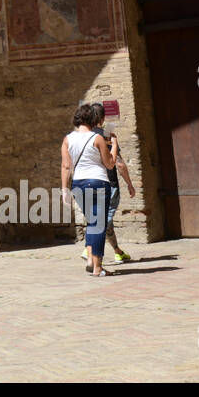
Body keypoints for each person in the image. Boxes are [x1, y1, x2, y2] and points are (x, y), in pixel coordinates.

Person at [60, 103, 116, 277]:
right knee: (98, 225)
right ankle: (98, 268)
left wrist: (64, 189)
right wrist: (114, 144)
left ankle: (91, 260)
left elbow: (65, 166)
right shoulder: (97, 138)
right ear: (93, 119)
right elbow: (110, 163)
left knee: (91, 223)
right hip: (98, 182)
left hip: (78, 184)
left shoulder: (67, 139)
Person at [89, 102, 136, 263]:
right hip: (109, 184)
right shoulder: (107, 136)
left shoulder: (84, 137)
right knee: (104, 219)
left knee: (102, 218)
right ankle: (90, 248)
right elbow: (120, 164)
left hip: (89, 184)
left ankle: (117, 251)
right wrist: (130, 184)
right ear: (103, 118)